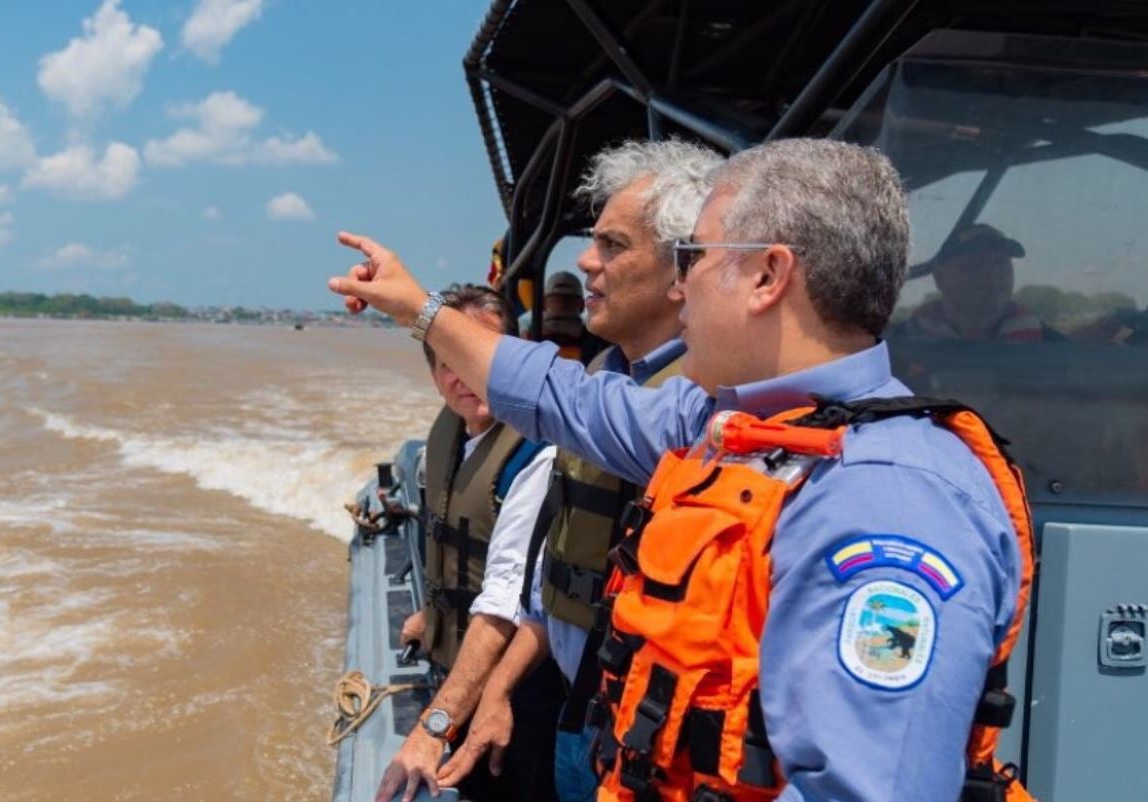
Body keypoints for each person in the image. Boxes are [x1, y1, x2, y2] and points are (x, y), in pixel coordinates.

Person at [329, 138, 1034, 802]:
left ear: (766, 275)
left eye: (694, 254)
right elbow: (558, 396)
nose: (680, 280)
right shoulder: (722, 428)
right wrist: (415, 308)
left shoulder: (889, 500)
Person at [436, 138, 723, 802]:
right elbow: (553, 564)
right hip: (581, 706)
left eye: (612, 246)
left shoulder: (700, 409)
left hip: (645, 734)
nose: (587, 262)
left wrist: (421, 313)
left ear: (683, 271)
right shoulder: (604, 375)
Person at [384, 283, 562, 802]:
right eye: (447, 361)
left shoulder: (536, 455)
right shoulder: (452, 433)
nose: (464, 374)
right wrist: (433, 616)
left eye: (479, 355)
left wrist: (430, 729)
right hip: (452, 660)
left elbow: (508, 600)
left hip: (514, 693)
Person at [898, 223, 1049, 341]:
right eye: (975, 264)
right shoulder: (898, 344)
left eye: (1000, 263)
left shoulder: (1052, 347)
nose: (992, 274)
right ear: (940, 278)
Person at [543, 270, 588, 360]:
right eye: (559, 300)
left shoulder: (526, 338)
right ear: (583, 305)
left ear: (543, 303)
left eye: (567, 300)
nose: (562, 304)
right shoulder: (601, 342)